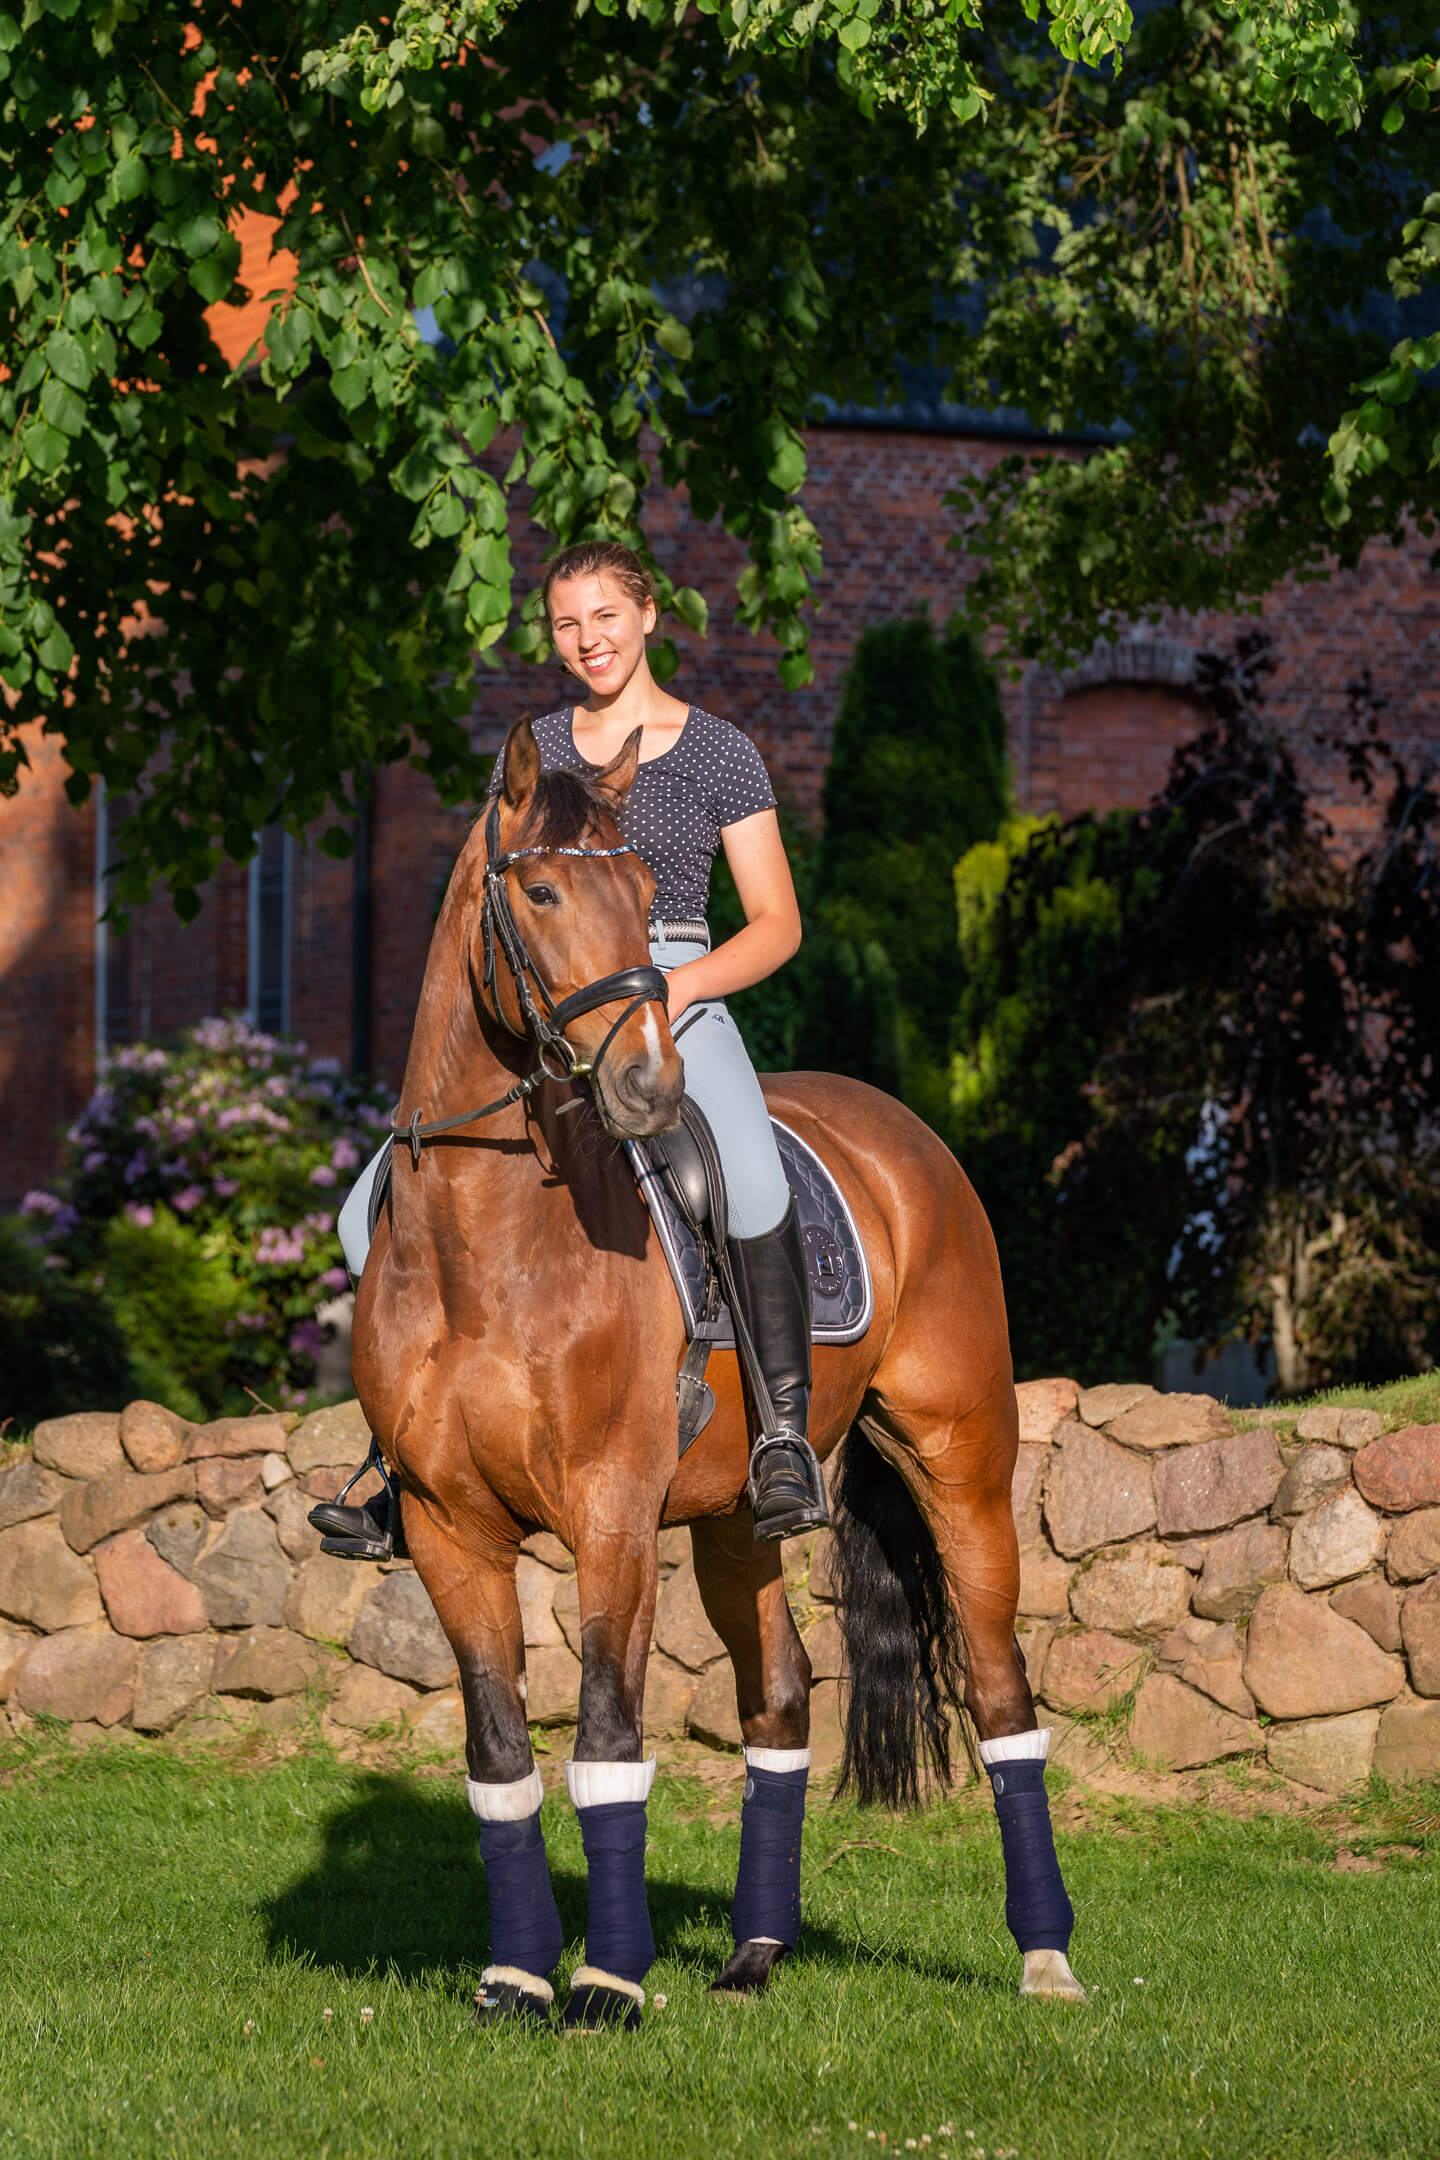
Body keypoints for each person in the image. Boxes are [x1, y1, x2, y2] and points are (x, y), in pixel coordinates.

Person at [313, 539, 828, 1549]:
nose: (587, 640)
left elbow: (777, 922)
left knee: (754, 1181)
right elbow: (485, 906)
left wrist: (675, 985)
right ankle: (401, 1462)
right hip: (545, 1003)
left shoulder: (717, 751)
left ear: (647, 616)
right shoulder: (531, 754)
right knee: (360, 1213)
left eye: (605, 616)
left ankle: (780, 1438)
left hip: (671, 985)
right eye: (564, 624)